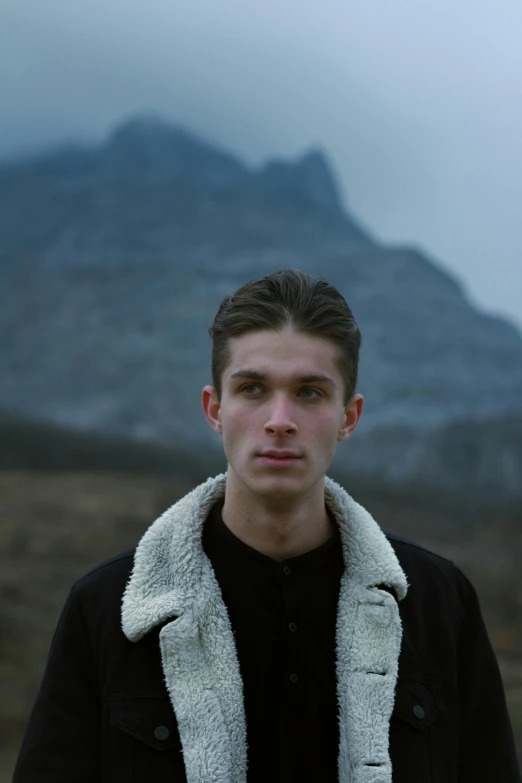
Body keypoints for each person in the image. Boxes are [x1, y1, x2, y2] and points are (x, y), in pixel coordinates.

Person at [13, 269, 520, 783]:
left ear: (349, 416)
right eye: (253, 388)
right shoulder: (108, 609)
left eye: (310, 392)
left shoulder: (439, 601)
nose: (280, 419)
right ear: (215, 409)